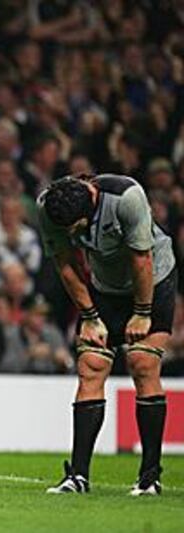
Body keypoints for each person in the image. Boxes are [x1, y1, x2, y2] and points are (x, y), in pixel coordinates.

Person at [39, 174, 177, 496]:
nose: (74, 235)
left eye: (77, 228)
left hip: (153, 280)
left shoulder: (127, 198)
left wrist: (142, 313)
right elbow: (66, 264)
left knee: (142, 363)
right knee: (90, 366)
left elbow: (141, 259)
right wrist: (88, 317)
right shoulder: (49, 208)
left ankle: (150, 477)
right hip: (104, 287)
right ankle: (78, 476)